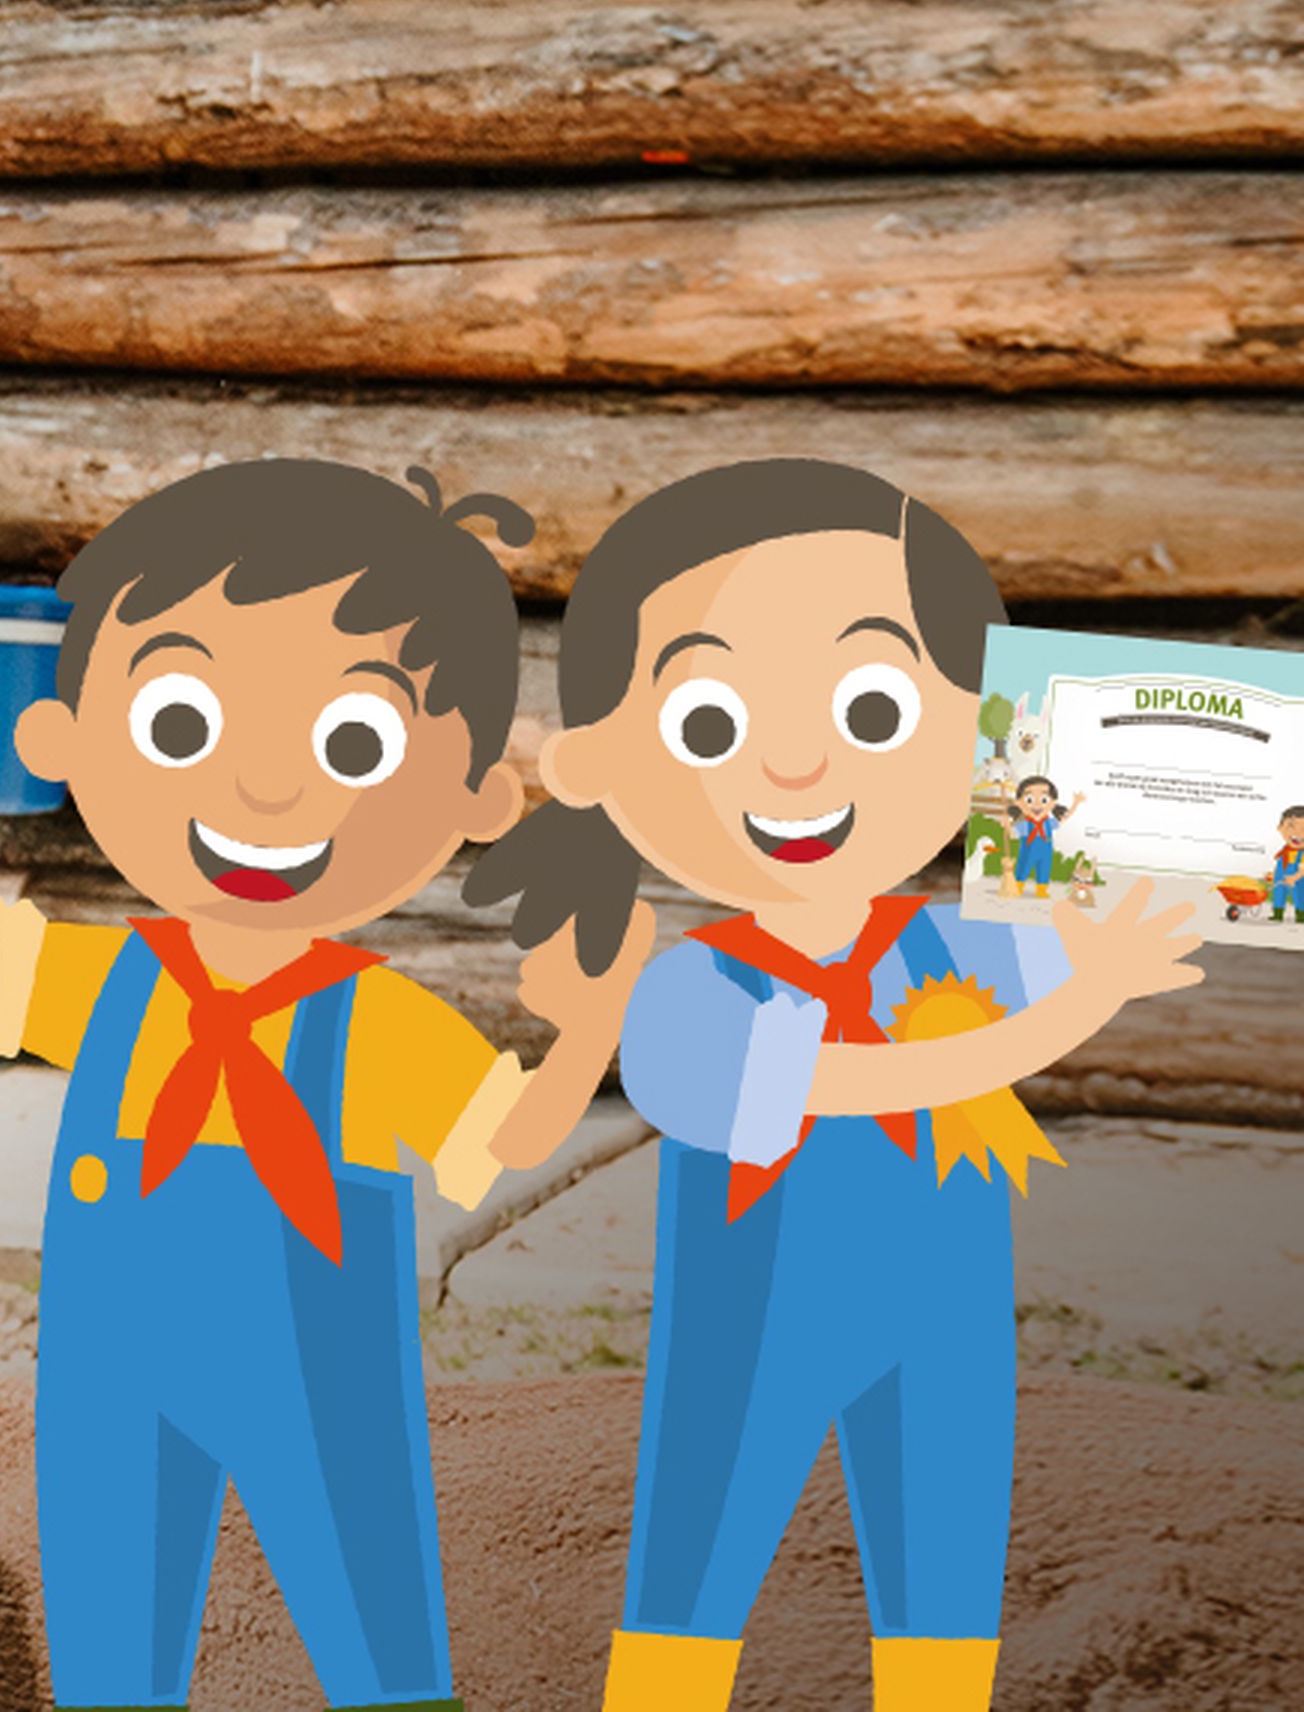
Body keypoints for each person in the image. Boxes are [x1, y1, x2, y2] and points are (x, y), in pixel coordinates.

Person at [0, 461, 644, 1712]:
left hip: (326, 1384)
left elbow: (496, 1139)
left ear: (472, 797)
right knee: (110, 1630)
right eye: (184, 723)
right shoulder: (105, 983)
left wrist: (589, 1029)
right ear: (63, 741)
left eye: (351, 740)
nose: (263, 789)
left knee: (373, 1619)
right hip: (116, 1383)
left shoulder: (375, 1023)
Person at [464, 459, 1205, 1712]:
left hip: (948, 1321)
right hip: (752, 1337)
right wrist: (1076, 1002)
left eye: (875, 710)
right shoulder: (686, 991)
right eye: (712, 724)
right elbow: (847, 1082)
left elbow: (1137, 905)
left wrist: (1208, 841)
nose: (800, 767)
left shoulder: (966, 942)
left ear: (987, 733)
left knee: (945, 1564)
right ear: (598, 766)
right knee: (701, 1544)